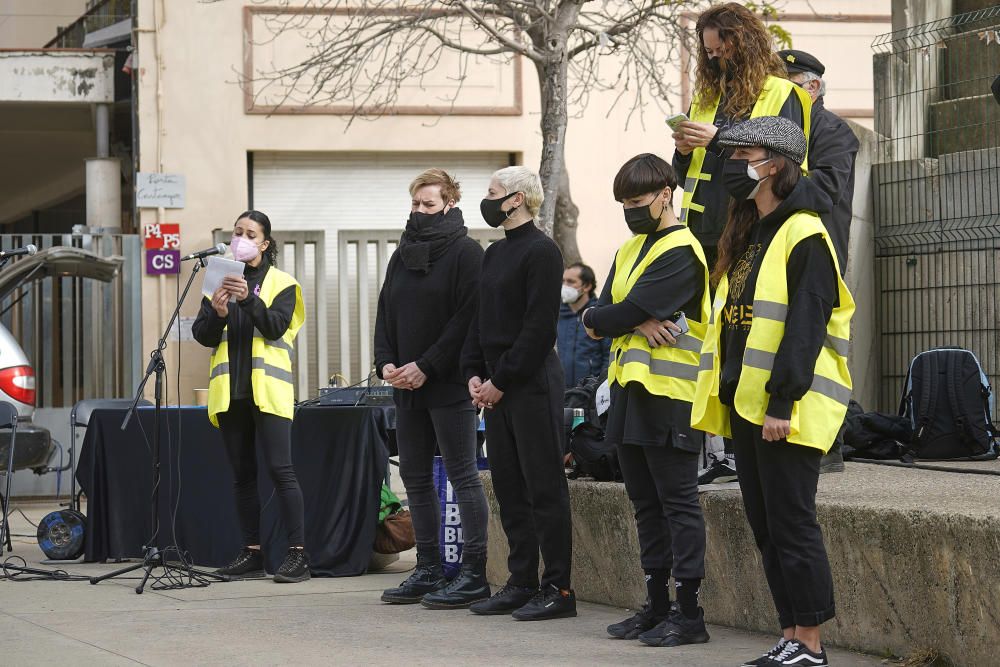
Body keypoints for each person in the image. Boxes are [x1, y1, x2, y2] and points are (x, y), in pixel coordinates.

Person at [691, 116, 855, 667]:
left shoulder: (804, 232)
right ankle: (790, 635)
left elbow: (805, 326)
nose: (734, 164)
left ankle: (810, 644)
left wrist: (782, 403)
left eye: (744, 154)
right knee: (767, 527)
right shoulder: (749, 233)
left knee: (791, 523)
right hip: (748, 406)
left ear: (776, 164)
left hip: (788, 409)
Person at [674, 2, 812, 486]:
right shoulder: (708, 97)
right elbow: (687, 174)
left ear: (745, 41)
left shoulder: (781, 93)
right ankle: (719, 447)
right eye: (709, 53)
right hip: (706, 233)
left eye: (723, 48)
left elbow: (792, 155)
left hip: (754, 224)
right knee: (714, 339)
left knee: (752, 333)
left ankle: (741, 444)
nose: (716, 60)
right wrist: (682, 148)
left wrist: (715, 139)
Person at [581, 154, 710, 647]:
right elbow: (598, 313)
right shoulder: (631, 248)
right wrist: (633, 318)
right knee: (643, 504)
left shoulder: (682, 250)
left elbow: (616, 309)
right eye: (624, 204)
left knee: (677, 504)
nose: (631, 211)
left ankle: (689, 612)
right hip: (629, 393)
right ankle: (656, 605)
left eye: (637, 201)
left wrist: (622, 314)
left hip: (671, 395)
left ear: (665, 194)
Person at [460, 165, 575, 621]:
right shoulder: (493, 255)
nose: (486, 200)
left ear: (516, 200)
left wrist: (500, 381)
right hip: (495, 388)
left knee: (544, 487)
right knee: (509, 487)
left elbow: (537, 329)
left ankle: (558, 588)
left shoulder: (542, 253)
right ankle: (521, 580)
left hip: (528, 386)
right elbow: (479, 318)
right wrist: (473, 372)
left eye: (492, 192)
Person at [373, 169, 491, 609]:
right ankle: (426, 568)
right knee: (416, 478)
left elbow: (466, 319)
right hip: (405, 384)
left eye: (429, 204)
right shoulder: (401, 255)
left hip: (447, 383)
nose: (420, 211)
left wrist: (427, 365)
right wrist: (385, 361)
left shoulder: (466, 254)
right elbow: (386, 311)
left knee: (462, 476)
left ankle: (473, 573)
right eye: (416, 204)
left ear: (449, 204)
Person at [192, 210, 309, 583]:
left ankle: (297, 555)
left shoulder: (283, 283)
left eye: (249, 233)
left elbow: (277, 327)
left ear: (265, 242)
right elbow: (203, 335)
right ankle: (253, 552)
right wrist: (218, 313)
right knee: (243, 476)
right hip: (231, 394)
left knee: (281, 471)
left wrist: (248, 301)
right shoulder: (217, 278)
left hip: (268, 391)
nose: (241, 237)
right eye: (237, 231)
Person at [779, 49, 860, 277]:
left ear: (812, 87)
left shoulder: (833, 130)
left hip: (816, 257)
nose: (776, 93)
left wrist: (770, 177)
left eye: (785, 84)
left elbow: (824, 189)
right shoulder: (776, 128)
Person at [558, 262, 610, 388]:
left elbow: (608, 355)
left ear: (586, 286)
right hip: (562, 392)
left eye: (570, 282)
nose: (565, 286)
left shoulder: (599, 315)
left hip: (591, 393)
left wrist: (598, 386)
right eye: (563, 281)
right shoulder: (557, 314)